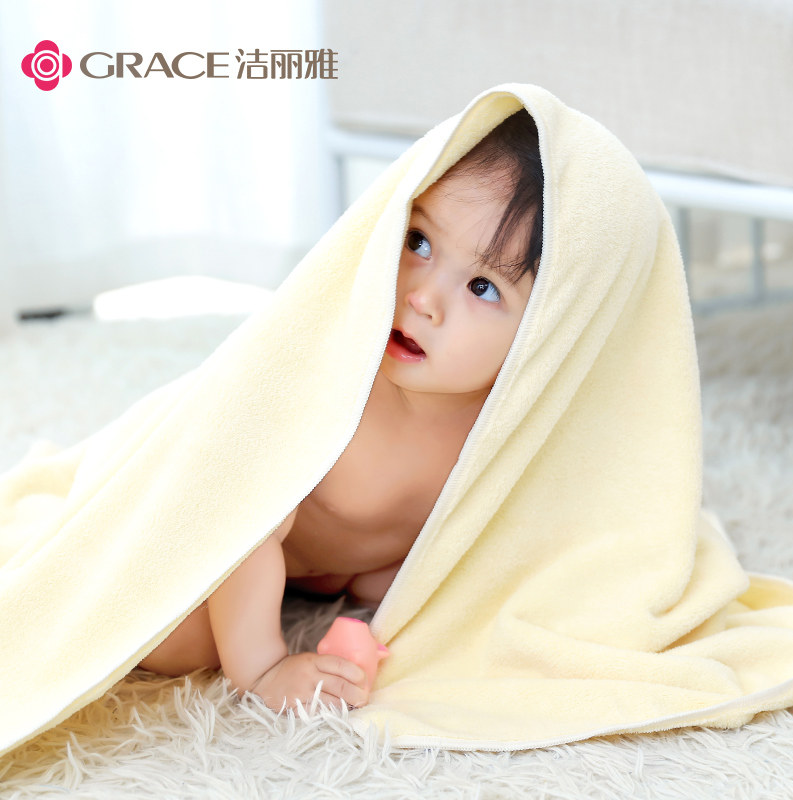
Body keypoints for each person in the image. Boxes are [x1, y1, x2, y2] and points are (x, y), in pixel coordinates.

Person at [138, 110, 545, 712]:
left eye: (483, 286)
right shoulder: (333, 375)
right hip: (228, 524)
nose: (422, 297)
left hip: (340, 560)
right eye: (418, 242)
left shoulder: (512, 424)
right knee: (172, 640)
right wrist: (264, 669)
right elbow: (237, 502)